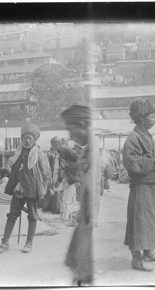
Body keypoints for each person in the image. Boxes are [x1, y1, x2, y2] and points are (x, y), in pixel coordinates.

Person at [122, 98, 155, 272]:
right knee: (139, 221)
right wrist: (151, 160)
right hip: (142, 186)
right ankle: (136, 259)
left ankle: (149, 252)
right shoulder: (133, 138)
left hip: (152, 185)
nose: (154, 119)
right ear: (141, 118)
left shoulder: (147, 136)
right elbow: (134, 164)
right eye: (151, 116)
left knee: (151, 220)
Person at [0, 123, 51, 254]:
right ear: (22, 139)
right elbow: (12, 168)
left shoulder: (40, 154)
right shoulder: (17, 153)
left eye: (29, 138)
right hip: (18, 188)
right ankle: (5, 243)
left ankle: (29, 243)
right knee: (12, 215)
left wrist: (42, 188)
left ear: (34, 140)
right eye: (25, 138)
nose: (27, 141)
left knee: (32, 216)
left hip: (32, 189)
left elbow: (47, 173)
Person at [61, 103, 100, 285]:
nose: (70, 136)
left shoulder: (93, 150)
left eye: (71, 130)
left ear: (83, 124)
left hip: (89, 217)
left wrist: (88, 213)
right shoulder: (87, 149)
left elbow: (94, 186)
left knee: (84, 270)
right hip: (85, 214)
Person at [51, 136, 80, 223]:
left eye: (53, 146)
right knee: (68, 198)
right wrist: (59, 180)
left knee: (67, 199)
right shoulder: (61, 152)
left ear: (56, 144)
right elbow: (61, 167)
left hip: (70, 178)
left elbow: (79, 163)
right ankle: (67, 216)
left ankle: (66, 218)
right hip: (66, 178)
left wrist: (67, 166)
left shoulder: (66, 150)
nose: (53, 148)